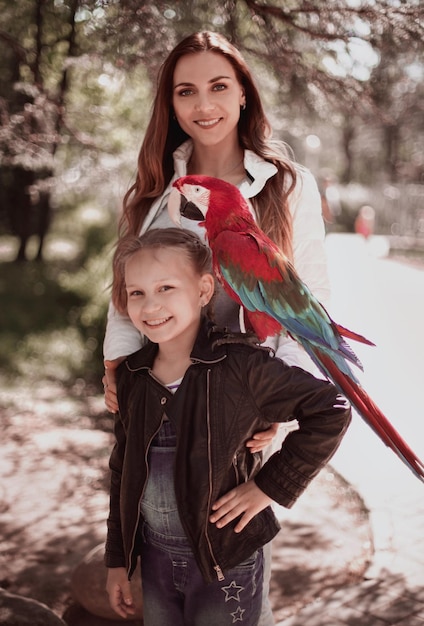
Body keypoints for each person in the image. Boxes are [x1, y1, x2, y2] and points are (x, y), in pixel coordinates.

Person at [103, 30, 331, 625]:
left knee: (232, 547)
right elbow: (125, 288)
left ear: (244, 95)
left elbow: (314, 294)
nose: (204, 105)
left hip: (245, 390)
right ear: (170, 105)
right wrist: (117, 366)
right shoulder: (155, 189)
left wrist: (280, 409)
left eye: (218, 86)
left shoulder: (287, 183)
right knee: (158, 519)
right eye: (186, 91)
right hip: (164, 383)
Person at [104, 228, 351, 626]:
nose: (150, 305)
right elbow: (122, 472)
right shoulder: (133, 376)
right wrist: (117, 558)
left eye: (166, 287)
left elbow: (332, 408)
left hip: (226, 564)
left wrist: (270, 486)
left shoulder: (241, 367)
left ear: (204, 291)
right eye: (137, 293)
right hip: (155, 560)